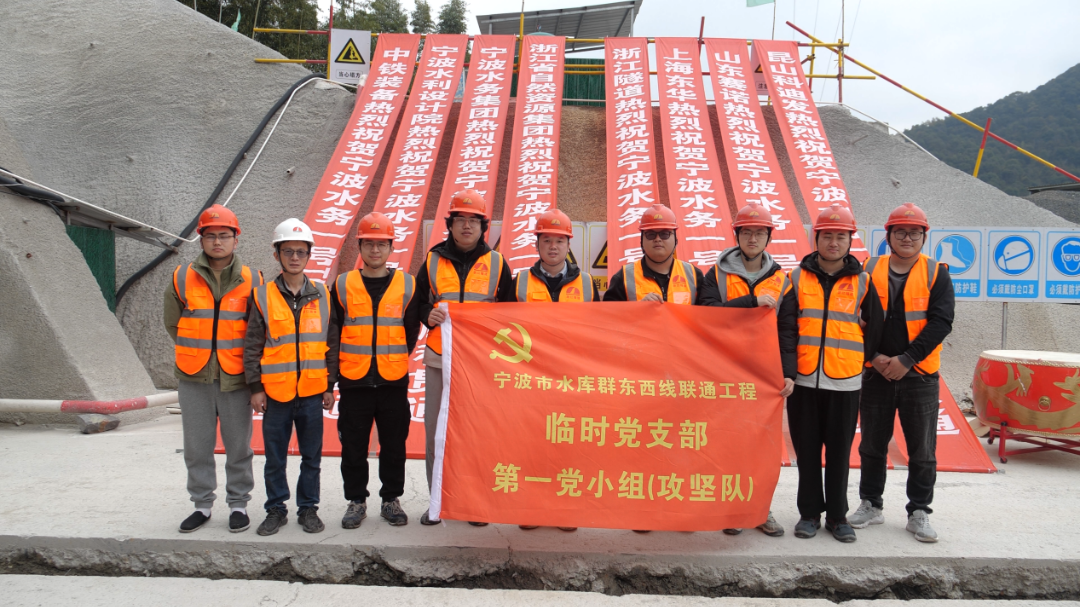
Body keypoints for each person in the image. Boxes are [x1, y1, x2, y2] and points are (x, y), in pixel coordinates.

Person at [849, 203, 954, 543]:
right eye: (900, 232)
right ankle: (871, 504)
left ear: (924, 236)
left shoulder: (937, 273)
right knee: (872, 445)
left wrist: (906, 359)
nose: (907, 238)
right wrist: (875, 356)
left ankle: (919, 511)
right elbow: (852, 317)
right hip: (876, 373)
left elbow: (941, 323)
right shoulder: (868, 269)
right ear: (889, 235)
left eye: (914, 232)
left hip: (919, 376)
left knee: (922, 450)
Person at [778, 203, 882, 543]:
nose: (833, 243)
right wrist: (789, 370)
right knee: (807, 451)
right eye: (827, 236)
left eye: (841, 236)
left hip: (845, 383)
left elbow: (875, 329)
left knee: (839, 453)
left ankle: (838, 516)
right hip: (804, 380)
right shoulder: (796, 278)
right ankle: (809, 514)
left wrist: (860, 365)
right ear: (816, 238)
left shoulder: (863, 281)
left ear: (850, 241)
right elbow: (787, 329)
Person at [416, 189, 514, 526]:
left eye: (474, 220)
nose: (467, 226)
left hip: (481, 363)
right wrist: (427, 314)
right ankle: (437, 502)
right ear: (450, 224)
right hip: (439, 358)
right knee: (436, 432)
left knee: (478, 432)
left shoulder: (498, 264)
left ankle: (474, 503)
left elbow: (511, 314)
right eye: (460, 219)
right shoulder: (432, 260)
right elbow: (419, 302)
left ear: (484, 226)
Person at [164, 204, 262, 534]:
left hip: (236, 378)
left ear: (236, 239)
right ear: (201, 239)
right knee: (197, 446)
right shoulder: (181, 277)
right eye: (210, 236)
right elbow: (172, 323)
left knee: (239, 447)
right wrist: (200, 352)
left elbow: (257, 331)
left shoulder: (253, 279)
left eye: (224, 235)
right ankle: (202, 505)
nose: (217, 241)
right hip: (194, 377)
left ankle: (238, 505)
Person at [700, 202, 796, 538]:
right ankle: (732, 509)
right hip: (725, 373)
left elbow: (788, 330)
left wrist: (788, 373)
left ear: (769, 237)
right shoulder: (716, 275)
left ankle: (760, 510)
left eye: (759, 233)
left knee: (762, 447)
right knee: (727, 442)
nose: (752, 238)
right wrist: (750, 303)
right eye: (746, 232)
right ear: (737, 236)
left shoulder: (782, 280)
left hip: (764, 377)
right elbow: (708, 316)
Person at [329, 212, 422, 528]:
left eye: (381, 244)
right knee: (353, 446)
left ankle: (390, 499)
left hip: (392, 380)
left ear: (392, 247)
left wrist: (391, 357)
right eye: (368, 243)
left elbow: (411, 331)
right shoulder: (343, 284)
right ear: (359, 247)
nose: (375, 250)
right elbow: (334, 330)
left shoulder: (407, 285)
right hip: (353, 380)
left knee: (394, 445)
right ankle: (356, 501)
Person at [244, 218, 334, 536]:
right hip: (275, 394)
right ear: (277, 255)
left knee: (312, 457)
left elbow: (331, 343)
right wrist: (255, 388)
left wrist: (330, 385)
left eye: (300, 251)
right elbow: (252, 346)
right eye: (288, 251)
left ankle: (308, 508)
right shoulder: (262, 296)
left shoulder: (323, 294)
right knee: (274, 458)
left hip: (311, 392)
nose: (295, 257)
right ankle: (276, 509)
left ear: (309, 255)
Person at [512, 209, 597, 532]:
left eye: (559, 241)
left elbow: (601, 330)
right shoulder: (519, 282)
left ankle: (564, 507)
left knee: (566, 441)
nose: (552, 247)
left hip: (570, 378)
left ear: (568, 245)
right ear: (537, 244)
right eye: (546, 240)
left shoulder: (587, 284)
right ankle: (531, 507)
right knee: (531, 442)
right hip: (529, 378)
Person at [603, 204, 704, 304]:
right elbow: (609, 313)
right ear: (641, 241)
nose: (657, 239)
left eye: (665, 234)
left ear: (675, 240)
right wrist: (637, 309)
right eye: (650, 234)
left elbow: (706, 312)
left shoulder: (694, 275)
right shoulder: (623, 278)